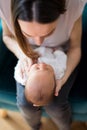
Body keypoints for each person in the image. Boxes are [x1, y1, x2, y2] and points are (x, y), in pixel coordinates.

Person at [0, 0, 87, 130]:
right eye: (27, 34)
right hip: (27, 54)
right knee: (24, 103)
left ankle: (65, 126)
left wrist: (62, 78)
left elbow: (74, 49)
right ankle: (35, 126)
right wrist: (23, 55)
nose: (39, 42)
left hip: (63, 55)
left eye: (48, 33)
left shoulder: (74, 4)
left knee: (56, 105)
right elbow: (7, 36)